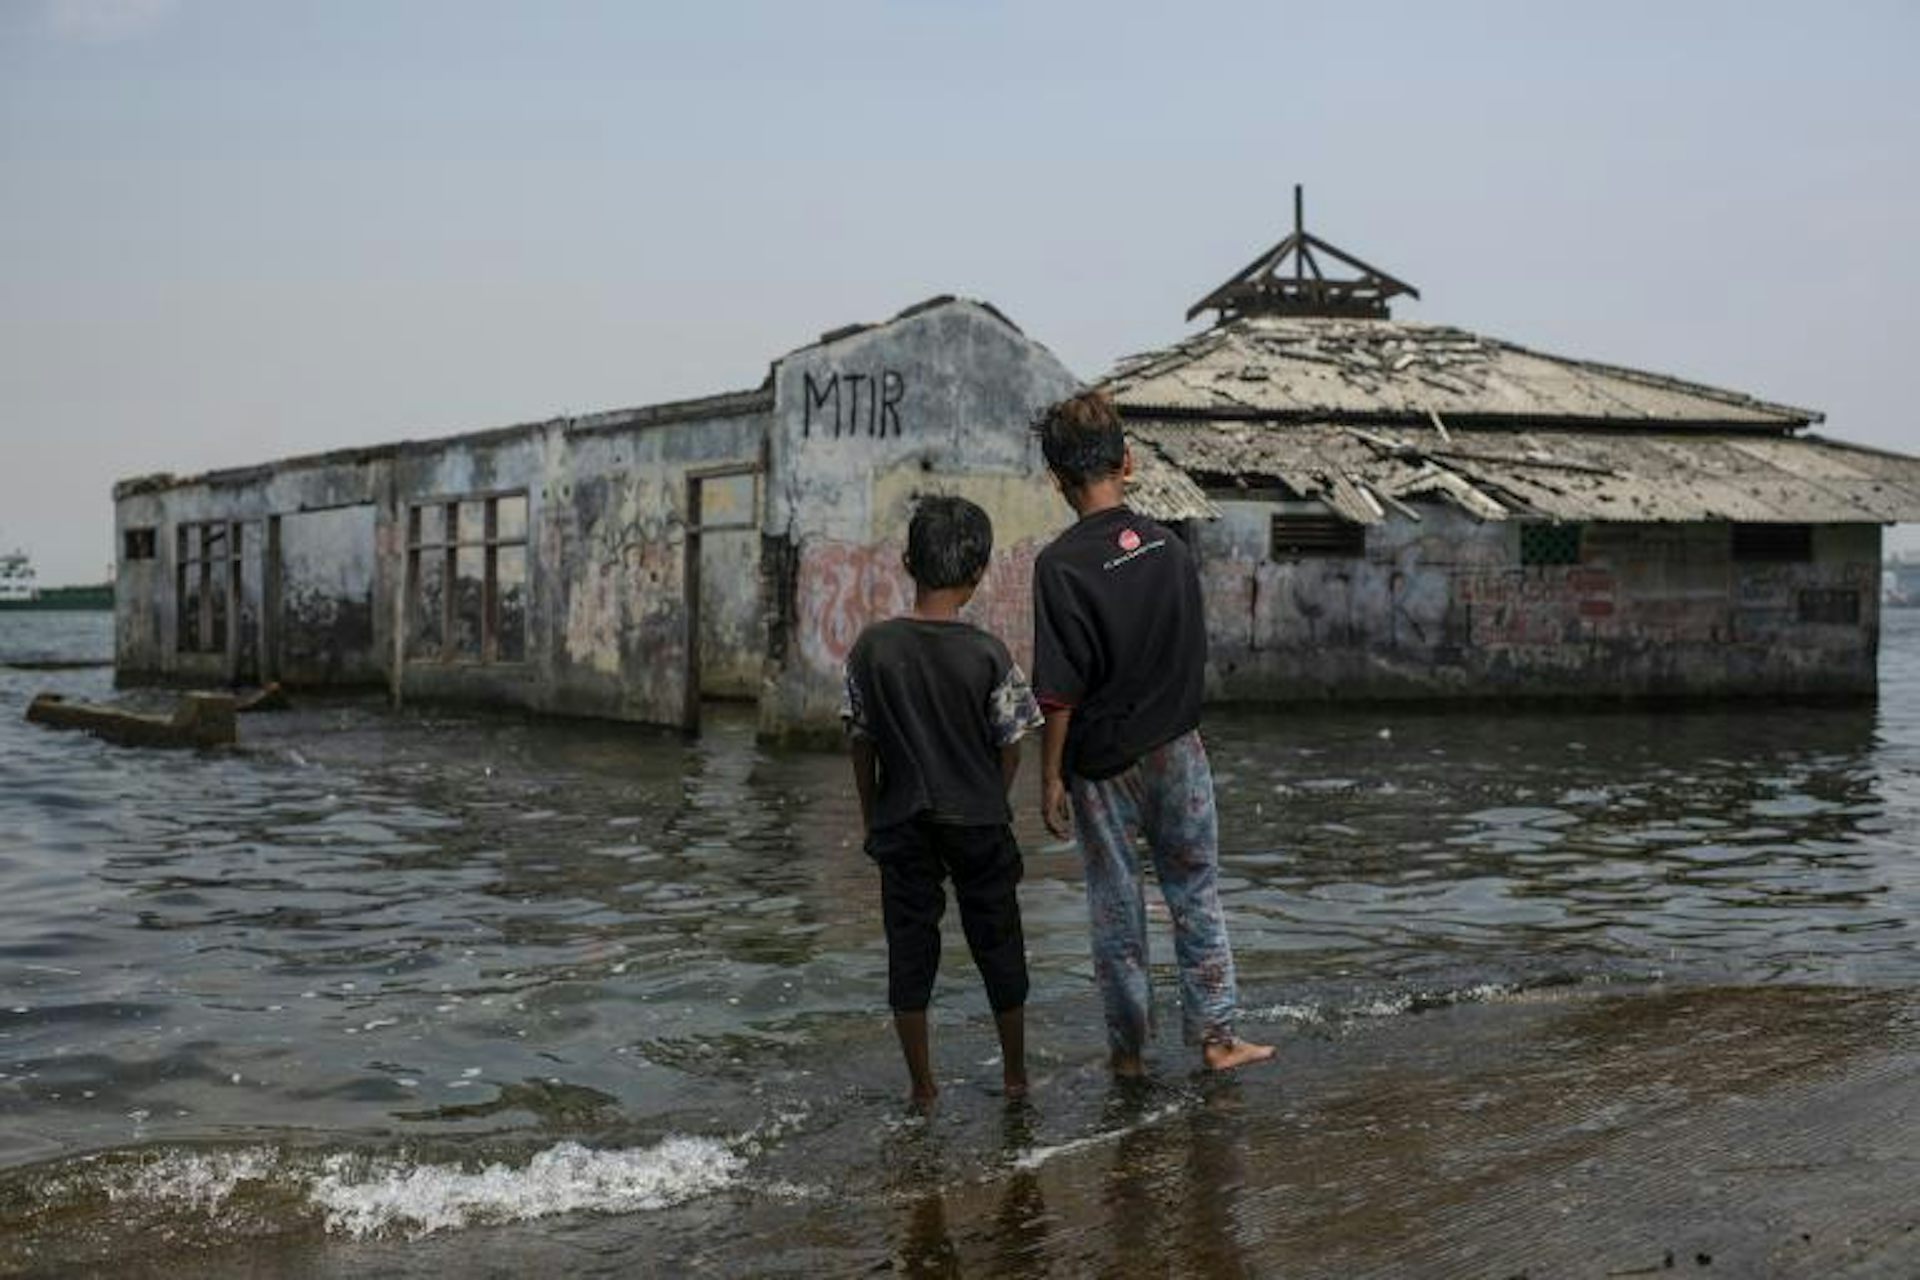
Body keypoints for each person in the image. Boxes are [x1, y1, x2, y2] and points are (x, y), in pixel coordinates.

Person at [1030, 389, 1274, 1077]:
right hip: (1177, 748)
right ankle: (1219, 1040)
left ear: (1056, 480)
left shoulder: (1059, 566)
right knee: (1195, 890)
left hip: (1101, 765)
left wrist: (1050, 776)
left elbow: (1057, 687)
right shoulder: (1168, 548)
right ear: (1128, 462)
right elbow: (1187, 652)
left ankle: (1129, 1055)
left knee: (1116, 906)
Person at [842, 494, 1045, 1105]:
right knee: (999, 944)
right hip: (979, 818)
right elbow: (1012, 743)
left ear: (907, 561)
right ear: (980, 571)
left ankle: (923, 1085)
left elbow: (861, 741)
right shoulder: (988, 654)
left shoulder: (871, 649)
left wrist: (869, 814)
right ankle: (1014, 1075)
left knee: (910, 950)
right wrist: (992, 793)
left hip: (902, 820)